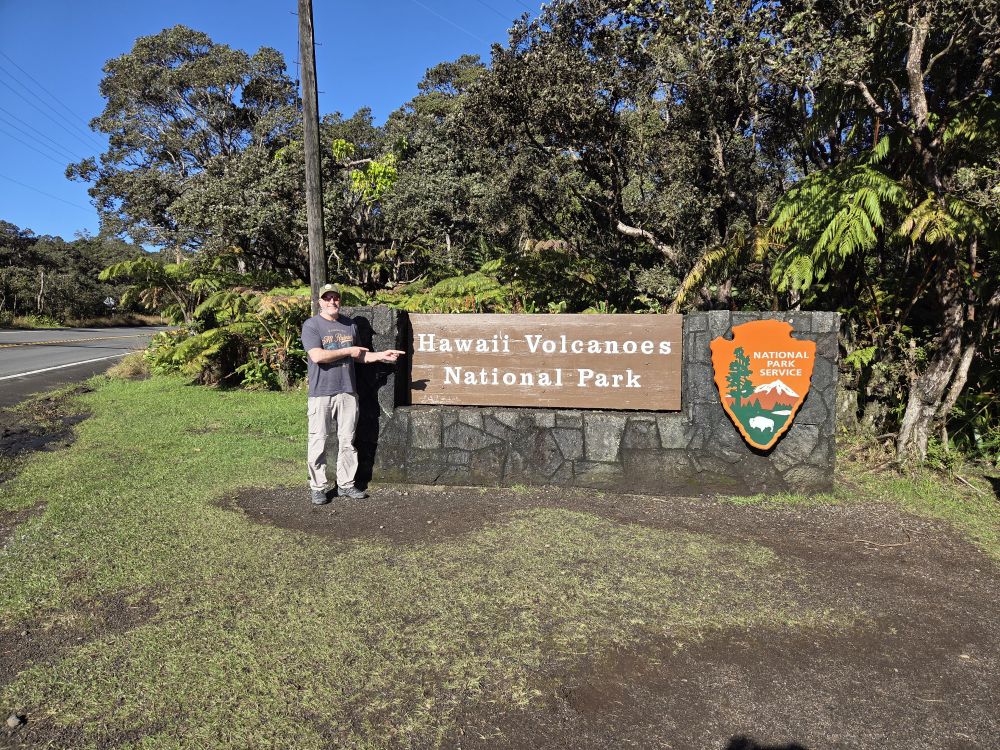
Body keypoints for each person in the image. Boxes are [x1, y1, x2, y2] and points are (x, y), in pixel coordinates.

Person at [301, 283, 405, 505]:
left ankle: (346, 485)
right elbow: (318, 356)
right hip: (321, 393)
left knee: (347, 441)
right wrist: (348, 350)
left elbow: (359, 356)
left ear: (340, 300)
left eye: (335, 298)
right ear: (320, 302)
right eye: (327, 298)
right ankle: (318, 487)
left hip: (348, 391)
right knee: (318, 441)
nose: (332, 302)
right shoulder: (312, 325)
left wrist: (382, 356)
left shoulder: (349, 326)